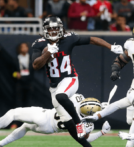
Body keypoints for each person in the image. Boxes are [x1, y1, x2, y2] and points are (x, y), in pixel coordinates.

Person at [31, 15, 123, 146]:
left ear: (61, 29)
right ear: (45, 30)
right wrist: (47, 53)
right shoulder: (40, 44)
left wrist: (110, 47)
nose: (53, 32)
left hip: (70, 79)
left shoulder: (69, 38)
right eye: (50, 29)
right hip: (54, 86)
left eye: (56, 29)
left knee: (61, 96)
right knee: (69, 126)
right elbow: (35, 66)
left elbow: (92, 40)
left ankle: (79, 123)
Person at [0, 94, 111, 147]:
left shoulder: (78, 98)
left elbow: (64, 96)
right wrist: (101, 132)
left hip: (45, 116)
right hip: (49, 129)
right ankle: (0, 144)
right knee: (25, 127)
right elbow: (86, 139)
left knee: (12, 114)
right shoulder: (87, 123)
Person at [84, 28, 134, 147]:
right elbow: (120, 60)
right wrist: (115, 70)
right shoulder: (131, 45)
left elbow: (118, 105)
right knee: (129, 120)